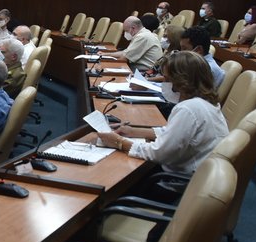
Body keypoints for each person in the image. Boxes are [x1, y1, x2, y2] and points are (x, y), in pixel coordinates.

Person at [97, 51, 228, 176]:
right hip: (199, 173)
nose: (163, 83)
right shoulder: (208, 102)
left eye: (166, 78)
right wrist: (132, 131)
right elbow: (173, 133)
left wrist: (119, 142)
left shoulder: (189, 108)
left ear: (181, 81)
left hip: (179, 181)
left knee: (114, 169)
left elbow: (158, 153)